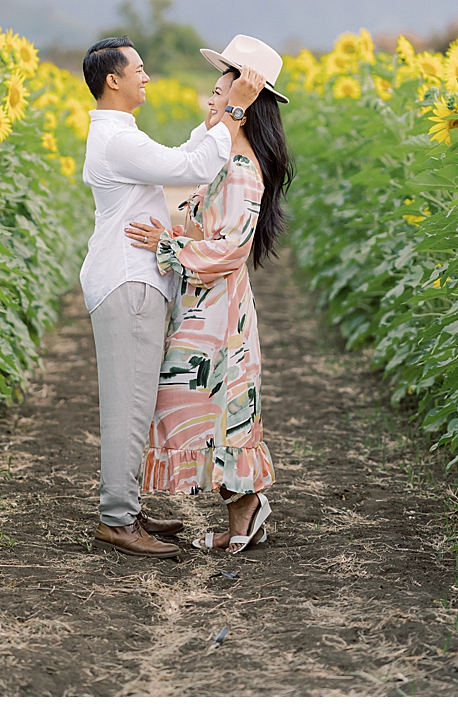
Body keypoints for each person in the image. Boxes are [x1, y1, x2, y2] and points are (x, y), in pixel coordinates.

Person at [81, 36, 264, 558]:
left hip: (135, 280)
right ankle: (117, 521)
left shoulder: (123, 135)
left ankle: (126, 509)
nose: (147, 77)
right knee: (129, 406)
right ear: (112, 80)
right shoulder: (117, 140)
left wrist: (221, 119)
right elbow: (193, 169)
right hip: (128, 281)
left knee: (136, 404)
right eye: (138, 69)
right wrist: (231, 111)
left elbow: (186, 156)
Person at [125, 35, 293, 554]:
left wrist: (169, 245)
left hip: (218, 316)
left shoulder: (243, 170)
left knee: (204, 404)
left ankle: (246, 507)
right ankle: (244, 510)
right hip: (203, 306)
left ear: (244, 104)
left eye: (219, 93)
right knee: (209, 407)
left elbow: (231, 250)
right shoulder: (225, 158)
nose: (210, 101)